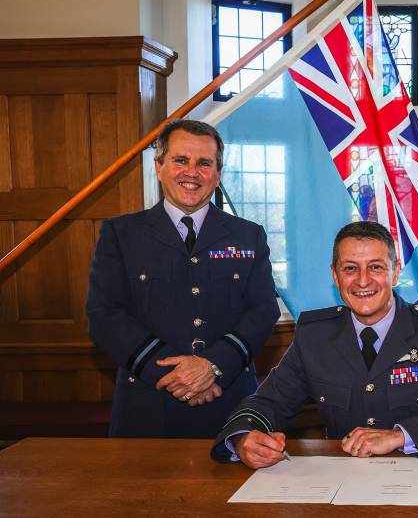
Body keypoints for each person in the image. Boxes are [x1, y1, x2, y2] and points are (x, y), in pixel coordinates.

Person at [211, 221, 418, 467]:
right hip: (342, 480)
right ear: (335, 275)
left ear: (395, 271)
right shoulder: (315, 336)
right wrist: (242, 438)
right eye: (350, 268)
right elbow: (268, 402)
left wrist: (401, 436)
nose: (363, 281)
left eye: (375, 267)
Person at [85, 119, 280, 438]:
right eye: (180, 160)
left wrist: (212, 366)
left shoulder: (249, 236)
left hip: (228, 400)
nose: (192, 172)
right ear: (159, 166)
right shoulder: (121, 234)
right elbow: (104, 316)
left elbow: (263, 311)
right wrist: (176, 375)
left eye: (204, 163)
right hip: (147, 404)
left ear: (217, 175)